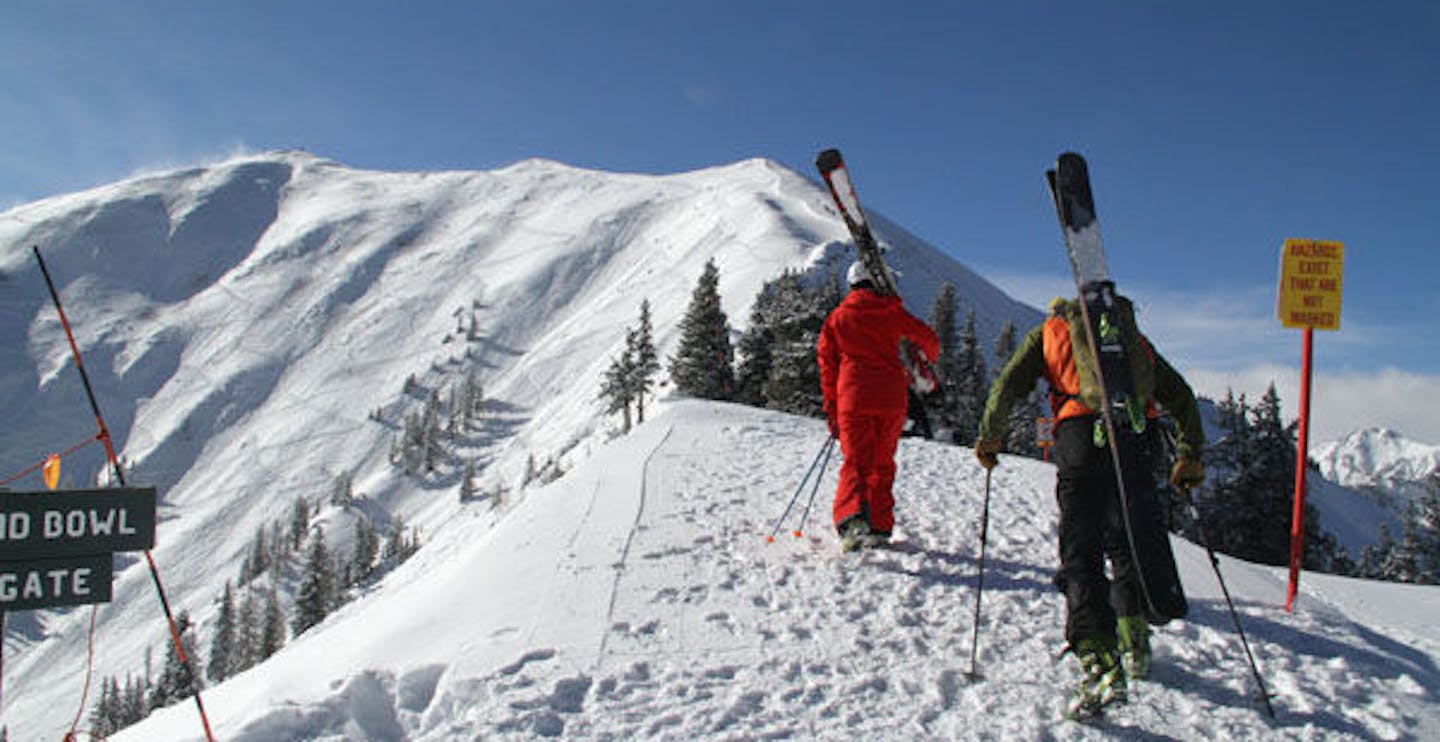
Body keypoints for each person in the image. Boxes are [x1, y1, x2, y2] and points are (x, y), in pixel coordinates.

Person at [974, 289, 1205, 717]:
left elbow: (1009, 383)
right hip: (1136, 439)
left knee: (1081, 550)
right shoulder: (1131, 340)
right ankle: (1134, 636)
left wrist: (991, 434)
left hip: (1079, 438)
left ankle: (1098, 657)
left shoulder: (1050, 331)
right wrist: (1190, 454)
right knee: (1126, 539)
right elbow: (1181, 395)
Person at [818, 261, 940, 551]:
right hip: (891, 399)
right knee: (883, 462)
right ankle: (880, 526)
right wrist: (918, 357)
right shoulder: (892, 312)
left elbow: (827, 367)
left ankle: (852, 519)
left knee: (856, 461)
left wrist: (832, 410)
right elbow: (931, 342)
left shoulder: (837, 319)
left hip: (854, 397)